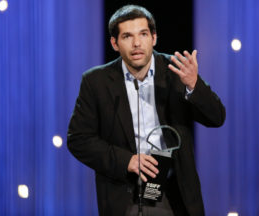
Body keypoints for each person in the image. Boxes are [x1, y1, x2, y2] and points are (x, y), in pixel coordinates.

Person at [67, 5, 225, 216]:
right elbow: (78, 139)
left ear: (154, 38)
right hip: (123, 193)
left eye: (143, 34)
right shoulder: (96, 81)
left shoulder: (177, 72)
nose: (136, 43)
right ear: (115, 43)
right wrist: (127, 160)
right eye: (127, 36)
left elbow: (216, 117)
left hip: (173, 193)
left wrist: (193, 85)